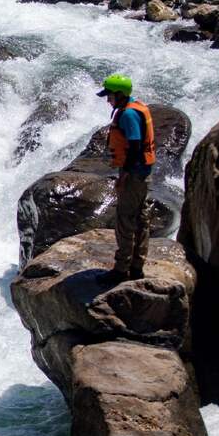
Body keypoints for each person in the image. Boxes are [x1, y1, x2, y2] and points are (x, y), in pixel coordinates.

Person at [95, 74, 156, 284]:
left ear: (120, 95)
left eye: (110, 96)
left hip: (135, 174)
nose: (108, 100)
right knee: (140, 219)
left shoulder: (129, 114)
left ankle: (121, 270)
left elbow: (135, 147)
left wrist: (124, 176)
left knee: (125, 220)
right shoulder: (135, 106)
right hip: (142, 172)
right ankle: (136, 267)